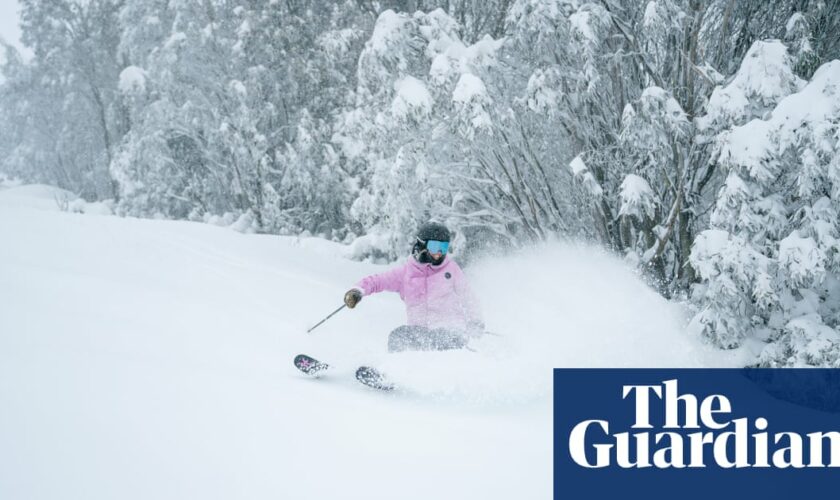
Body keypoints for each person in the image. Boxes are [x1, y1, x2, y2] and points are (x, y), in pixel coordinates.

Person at [343, 222, 484, 352]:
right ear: (422, 245)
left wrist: (475, 321)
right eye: (435, 247)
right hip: (421, 332)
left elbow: (468, 297)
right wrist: (358, 291)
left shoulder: (451, 270)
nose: (439, 252)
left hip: (451, 331)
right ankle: (394, 371)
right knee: (398, 336)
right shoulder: (406, 274)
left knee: (439, 340)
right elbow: (378, 281)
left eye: (444, 247)